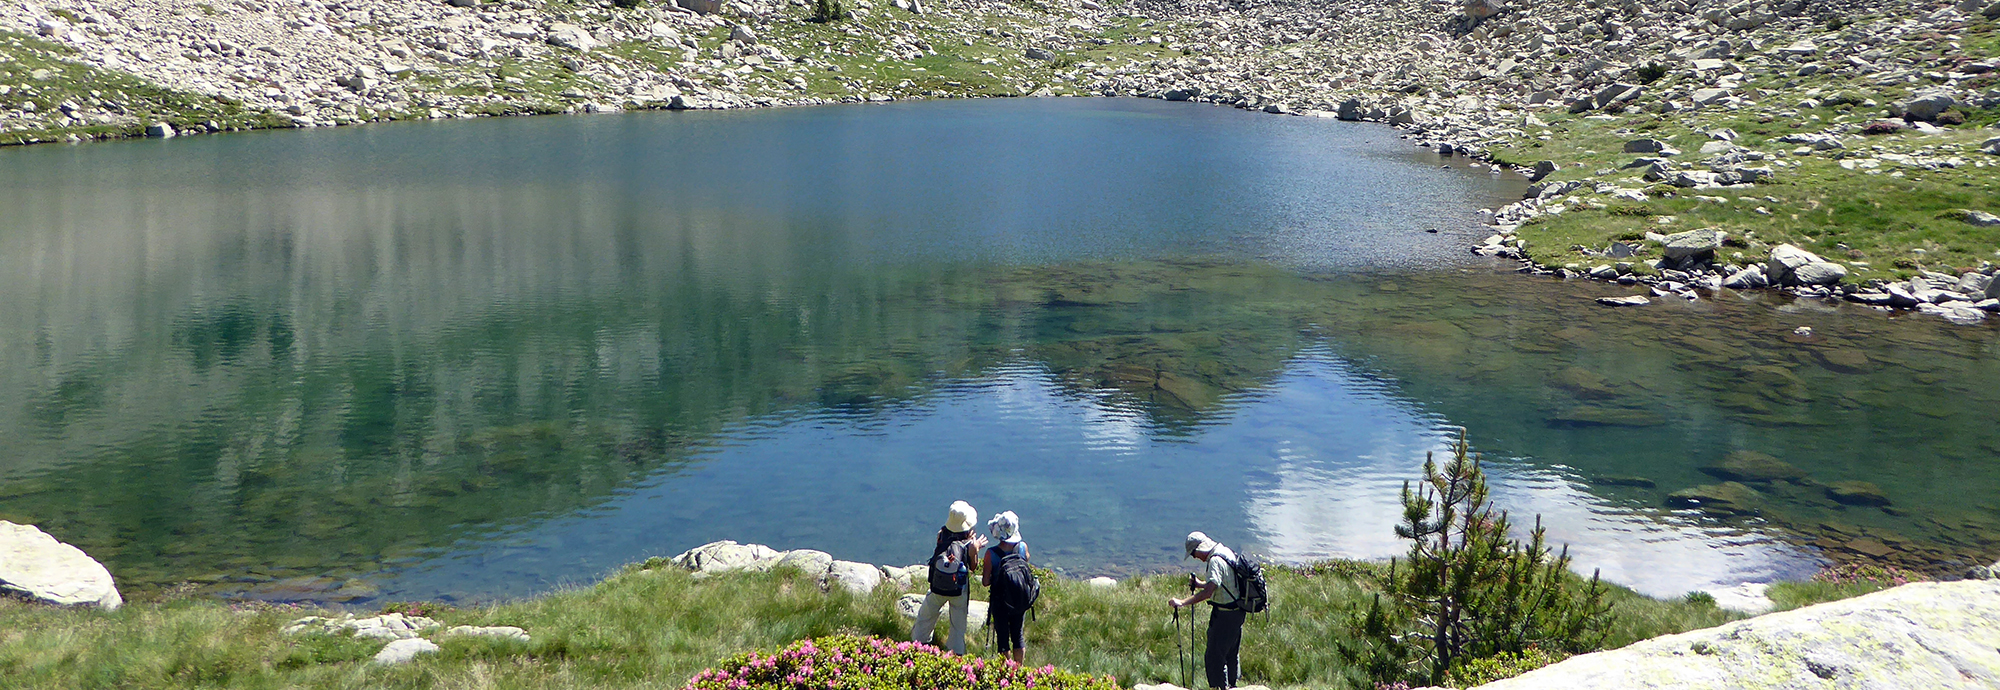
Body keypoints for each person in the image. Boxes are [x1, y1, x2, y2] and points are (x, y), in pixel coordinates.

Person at [1169, 531, 1246, 689]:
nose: (1194, 557)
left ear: (1199, 549)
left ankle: (1220, 687)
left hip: (1224, 616)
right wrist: (1200, 584)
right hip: (1237, 612)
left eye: (1193, 553)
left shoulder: (1214, 561)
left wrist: (1182, 602)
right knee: (1231, 653)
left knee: (1214, 657)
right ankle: (1233, 685)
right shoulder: (1224, 551)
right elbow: (1220, 583)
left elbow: (1208, 593)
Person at [913, 500, 986, 655]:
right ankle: (955, 652)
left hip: (937, 586)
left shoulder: (941, 535)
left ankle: (918, 644)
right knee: (958, 625)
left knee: (926, 617)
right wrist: (975, 549)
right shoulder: (969, 544)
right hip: (959, 590)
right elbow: (973, 567)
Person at [980, 510, 1032, 664]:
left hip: (1000, 602)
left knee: (1003, 638)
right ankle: (1019, 669)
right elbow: (1026, 562)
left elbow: (985, 582)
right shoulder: (1022, 547)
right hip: (1019, 599)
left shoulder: (991, 554)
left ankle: (1006, 671)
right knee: (1018, 635)